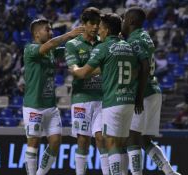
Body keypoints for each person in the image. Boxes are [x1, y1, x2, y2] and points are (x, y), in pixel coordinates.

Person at [70, 13, 140, 175]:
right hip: (129, 100)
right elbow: (136, 71)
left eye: (100, 28)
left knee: (111, 144)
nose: (98, 31)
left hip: (112, 101)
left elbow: (82, 73)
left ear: (107, 30)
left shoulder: (103, 47)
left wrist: (73, 67)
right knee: (122, 144)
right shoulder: (129, 46)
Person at [121, 7, 181, 175]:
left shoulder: (135, 40)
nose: (123, 22)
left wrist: (139, 96)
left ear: (131, 21)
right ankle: (169, 172)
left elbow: (145, 66)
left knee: (132, 136)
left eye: (125, 19)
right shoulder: (143, 35)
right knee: (145, 139)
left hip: (144, 93)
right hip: (153, 90)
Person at [22, 18, 84, 175]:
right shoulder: (30, 49)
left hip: (50, 106)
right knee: (33, 142)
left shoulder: (51, 51)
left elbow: (64, 48)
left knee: (56, 142)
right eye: (47, 30)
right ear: (36, 33)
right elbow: (50, 45)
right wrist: (69, 34)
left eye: (51, 29)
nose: (51, 32)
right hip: (34, 105)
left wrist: (82, 38)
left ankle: (40, 173)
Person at [65, 7, 108, 175]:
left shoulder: (103, 43)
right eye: (92, 23)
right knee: (83, 140)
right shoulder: (72, 44)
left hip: (101, 98)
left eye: (98, 24)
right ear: (83, 24)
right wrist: (102, 68)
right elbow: (76, 72)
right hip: (81, 97)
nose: (96, 27)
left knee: (102, 139)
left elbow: (84, 71)